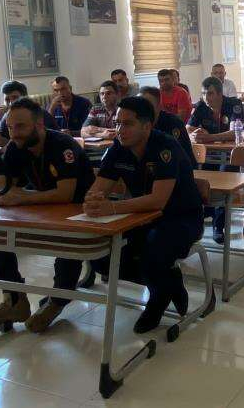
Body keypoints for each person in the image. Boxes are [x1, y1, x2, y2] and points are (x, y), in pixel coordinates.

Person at [0, 98, 96, 332]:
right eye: (10, 127)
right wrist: (20, 195)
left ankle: (56, 302)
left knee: (69, 247)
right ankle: (15, 300)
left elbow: (66, 194)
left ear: (39, 125)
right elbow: (2, 191)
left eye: (20, 126)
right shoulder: (15, 147)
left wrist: (22, 197)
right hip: (43, 211)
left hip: (79, 214)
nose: (14, 133)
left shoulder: (62, 145)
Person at [85, 97, 204, 333]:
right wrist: (93, 200)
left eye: (127, 124)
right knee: (100, 258)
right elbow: (98, 189)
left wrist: (113, 208)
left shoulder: (165, 147)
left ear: (147, 126)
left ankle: (157, 300)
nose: (120, 130)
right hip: (140, 217)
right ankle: (169, 282)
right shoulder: (118, 148)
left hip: (180, 218)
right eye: (118, 123)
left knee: (153, 251)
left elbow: (158, 201)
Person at [187, 76, 244, 243]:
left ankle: (218, 226)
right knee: (197, 178)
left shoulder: (234, 105)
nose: (206, 97)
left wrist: (210, 137)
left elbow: (235, 132)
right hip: (209, 154)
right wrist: (196, 133)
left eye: (210, 93)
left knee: (223, 181)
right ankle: (201, 216)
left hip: (230, 155)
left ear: (220, 94)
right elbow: (188, 127)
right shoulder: (201, 106)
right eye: (203, 93)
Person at [0, 80, 57, 147]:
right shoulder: (7, 117)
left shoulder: (39, 114)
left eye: (15, 98)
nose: (11, 103)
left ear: (25, 98)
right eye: (7, 100)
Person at [139, 86, 195, 164]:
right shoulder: (135, 123)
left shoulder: (174, 123)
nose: (143, 109)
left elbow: (184, 158)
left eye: (148, 105)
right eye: (140, 106)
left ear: (159, 107)